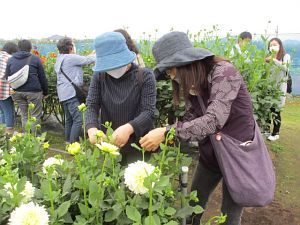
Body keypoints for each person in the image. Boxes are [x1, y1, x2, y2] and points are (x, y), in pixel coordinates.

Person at [139, 31, 255, 225]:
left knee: (230, 213)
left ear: (184, 63)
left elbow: (213, 120)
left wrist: (168, 131)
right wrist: (165, 139)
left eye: (170, 70)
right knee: (192, 204)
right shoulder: (196, 81)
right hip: (212, 152)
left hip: (237, 153)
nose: (170, 76)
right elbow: (192, 117)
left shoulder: (225, 73)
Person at [86, 32, 156, 164]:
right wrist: (92, 127)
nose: (112, 69)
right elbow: (92, 104)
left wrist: (129, 128)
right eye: (108, 66)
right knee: (109, 178)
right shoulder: (100, 76)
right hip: (109, 142)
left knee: (134, 179)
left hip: (138, 143)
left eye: (116, 64)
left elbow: (148, 111)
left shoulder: (145, 76)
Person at [54, 37, 96, 144]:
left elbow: (81, 59)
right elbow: (88, 60)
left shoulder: (60, 58)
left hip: (63, 93)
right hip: (70, 93)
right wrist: (98, 53)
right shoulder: (70, 58)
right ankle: (73, 144)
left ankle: (68, 141)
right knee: (78, 119)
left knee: (69, 119)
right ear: (71, 47)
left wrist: (91, 54)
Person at [5, 39, 48, 131]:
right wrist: (45, 92)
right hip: (33, 92)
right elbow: (42, 77)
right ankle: (35, 138)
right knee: (35, 115)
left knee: (24, 115)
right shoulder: (35, 58)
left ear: (18, 48)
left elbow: (7, 77)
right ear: (30, 48)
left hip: (17, 91)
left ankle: (26, 137)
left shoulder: (11, 59)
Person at [266, 37, 291, 141]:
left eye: (275, 44)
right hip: (269, 88)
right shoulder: (268, 57)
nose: (273, 46)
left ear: (280, 45)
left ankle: (275, 133)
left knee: (276, 112)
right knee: (267, 110)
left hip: (279, 89)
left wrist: (273, 60)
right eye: (271, 45)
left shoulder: (285, 56)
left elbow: (286, 68)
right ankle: (265, 131)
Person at [0, 42, 18, 134]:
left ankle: (2, 132)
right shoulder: (10, 58)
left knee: (2, 111)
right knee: (8, 111)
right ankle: (9, 132)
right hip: (4, 89)